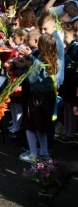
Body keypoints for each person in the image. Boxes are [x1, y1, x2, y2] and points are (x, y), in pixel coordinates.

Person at [17, 34, 60, 163]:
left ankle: (33, 154)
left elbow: (31, 78)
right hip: (49, 96)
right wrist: (27, 62)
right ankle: (44, 153)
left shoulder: (39, 60)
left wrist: (28, 59)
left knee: (30, 126)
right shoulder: (54, 60)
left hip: (37, 97)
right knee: (42, 126)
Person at [57, 22, 78, 143]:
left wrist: (63, 54)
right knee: (66, 105)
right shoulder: (71, 45)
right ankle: (66, 130)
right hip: (68, 78)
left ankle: (70, 133)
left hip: (73, 78)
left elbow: (71, 61)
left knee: (71, 106)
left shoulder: (75, 46)